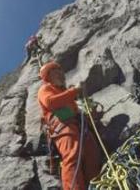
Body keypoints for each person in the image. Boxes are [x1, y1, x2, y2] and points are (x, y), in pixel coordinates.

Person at [37, 61, 101, 190]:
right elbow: (50, 102)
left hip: (79, 127)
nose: (61, 75)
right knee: (72, 156)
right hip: (63, 127)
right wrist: (74, 91)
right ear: (48, 76)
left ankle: (98, 185)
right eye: (57, 72)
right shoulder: (46, 89)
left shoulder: (66, 95)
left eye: (61, 72)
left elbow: (78, 113)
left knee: (92, 154)